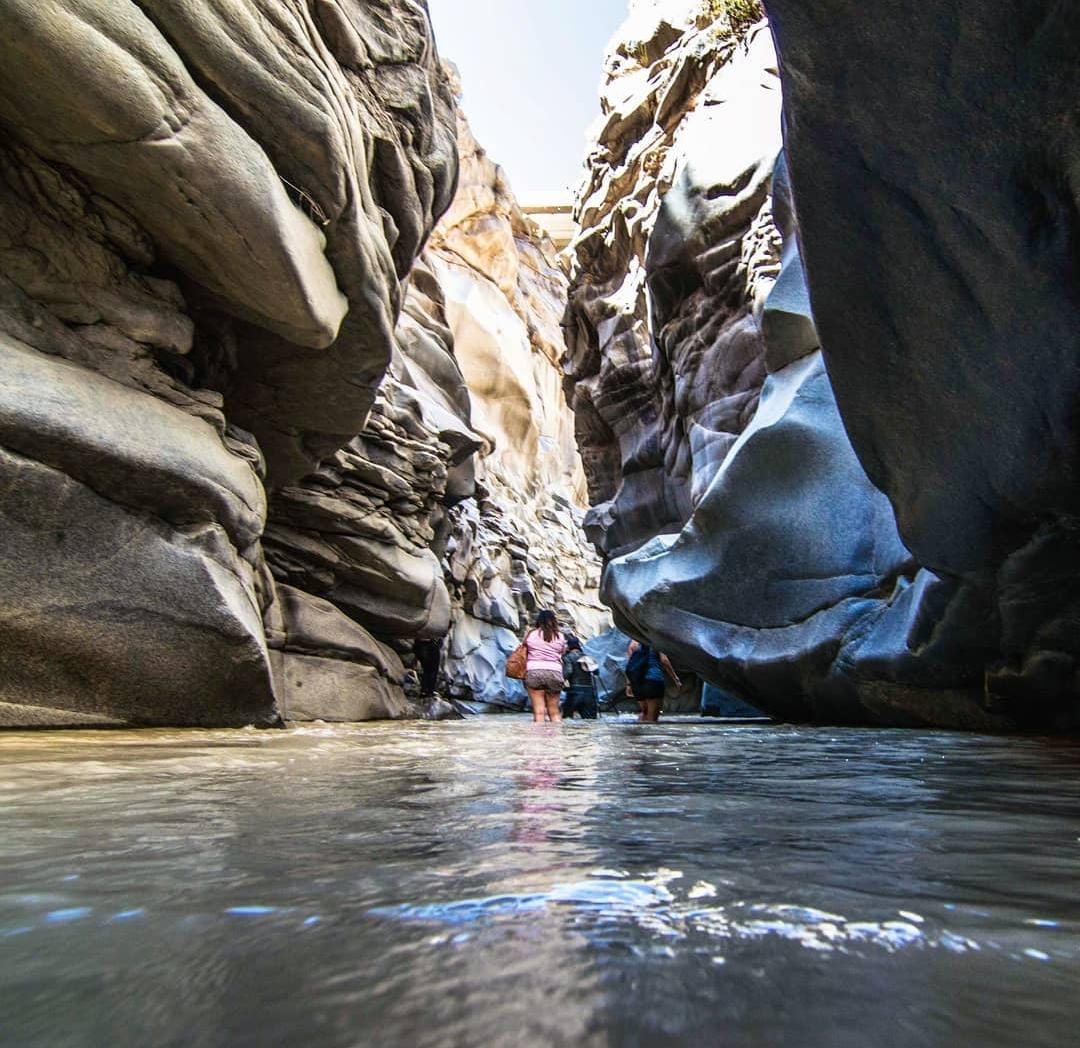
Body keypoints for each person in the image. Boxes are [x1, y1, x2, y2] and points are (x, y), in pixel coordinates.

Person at [523, 609, 567, 723]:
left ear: (539, 621)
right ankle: (557, 738)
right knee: (554, 711)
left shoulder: (531, 634)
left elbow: (523, 648)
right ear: (554, 621)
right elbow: (562, 652)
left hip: (534, 671)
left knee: (539, 711)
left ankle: (539, 740)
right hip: (554, 672)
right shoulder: (560, 636)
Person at [625, 639, 681, 722]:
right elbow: (664, 660)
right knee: (652, 719)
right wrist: (675, 678)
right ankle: (650, 734)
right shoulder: (656, 641)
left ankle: (640, 732)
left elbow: (630, 664)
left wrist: (629, 684)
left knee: (644, 712)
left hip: (637, 683)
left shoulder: (633, 643)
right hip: (653, 681)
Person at [561, 635, 599, 719]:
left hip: (574, 691)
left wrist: (562, 680)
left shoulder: (568, 658)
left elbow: (568, 671)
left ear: (568, 646)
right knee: (590, 720)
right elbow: (596, 672)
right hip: (589, 691)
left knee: (567, 718)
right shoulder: (587, 657)